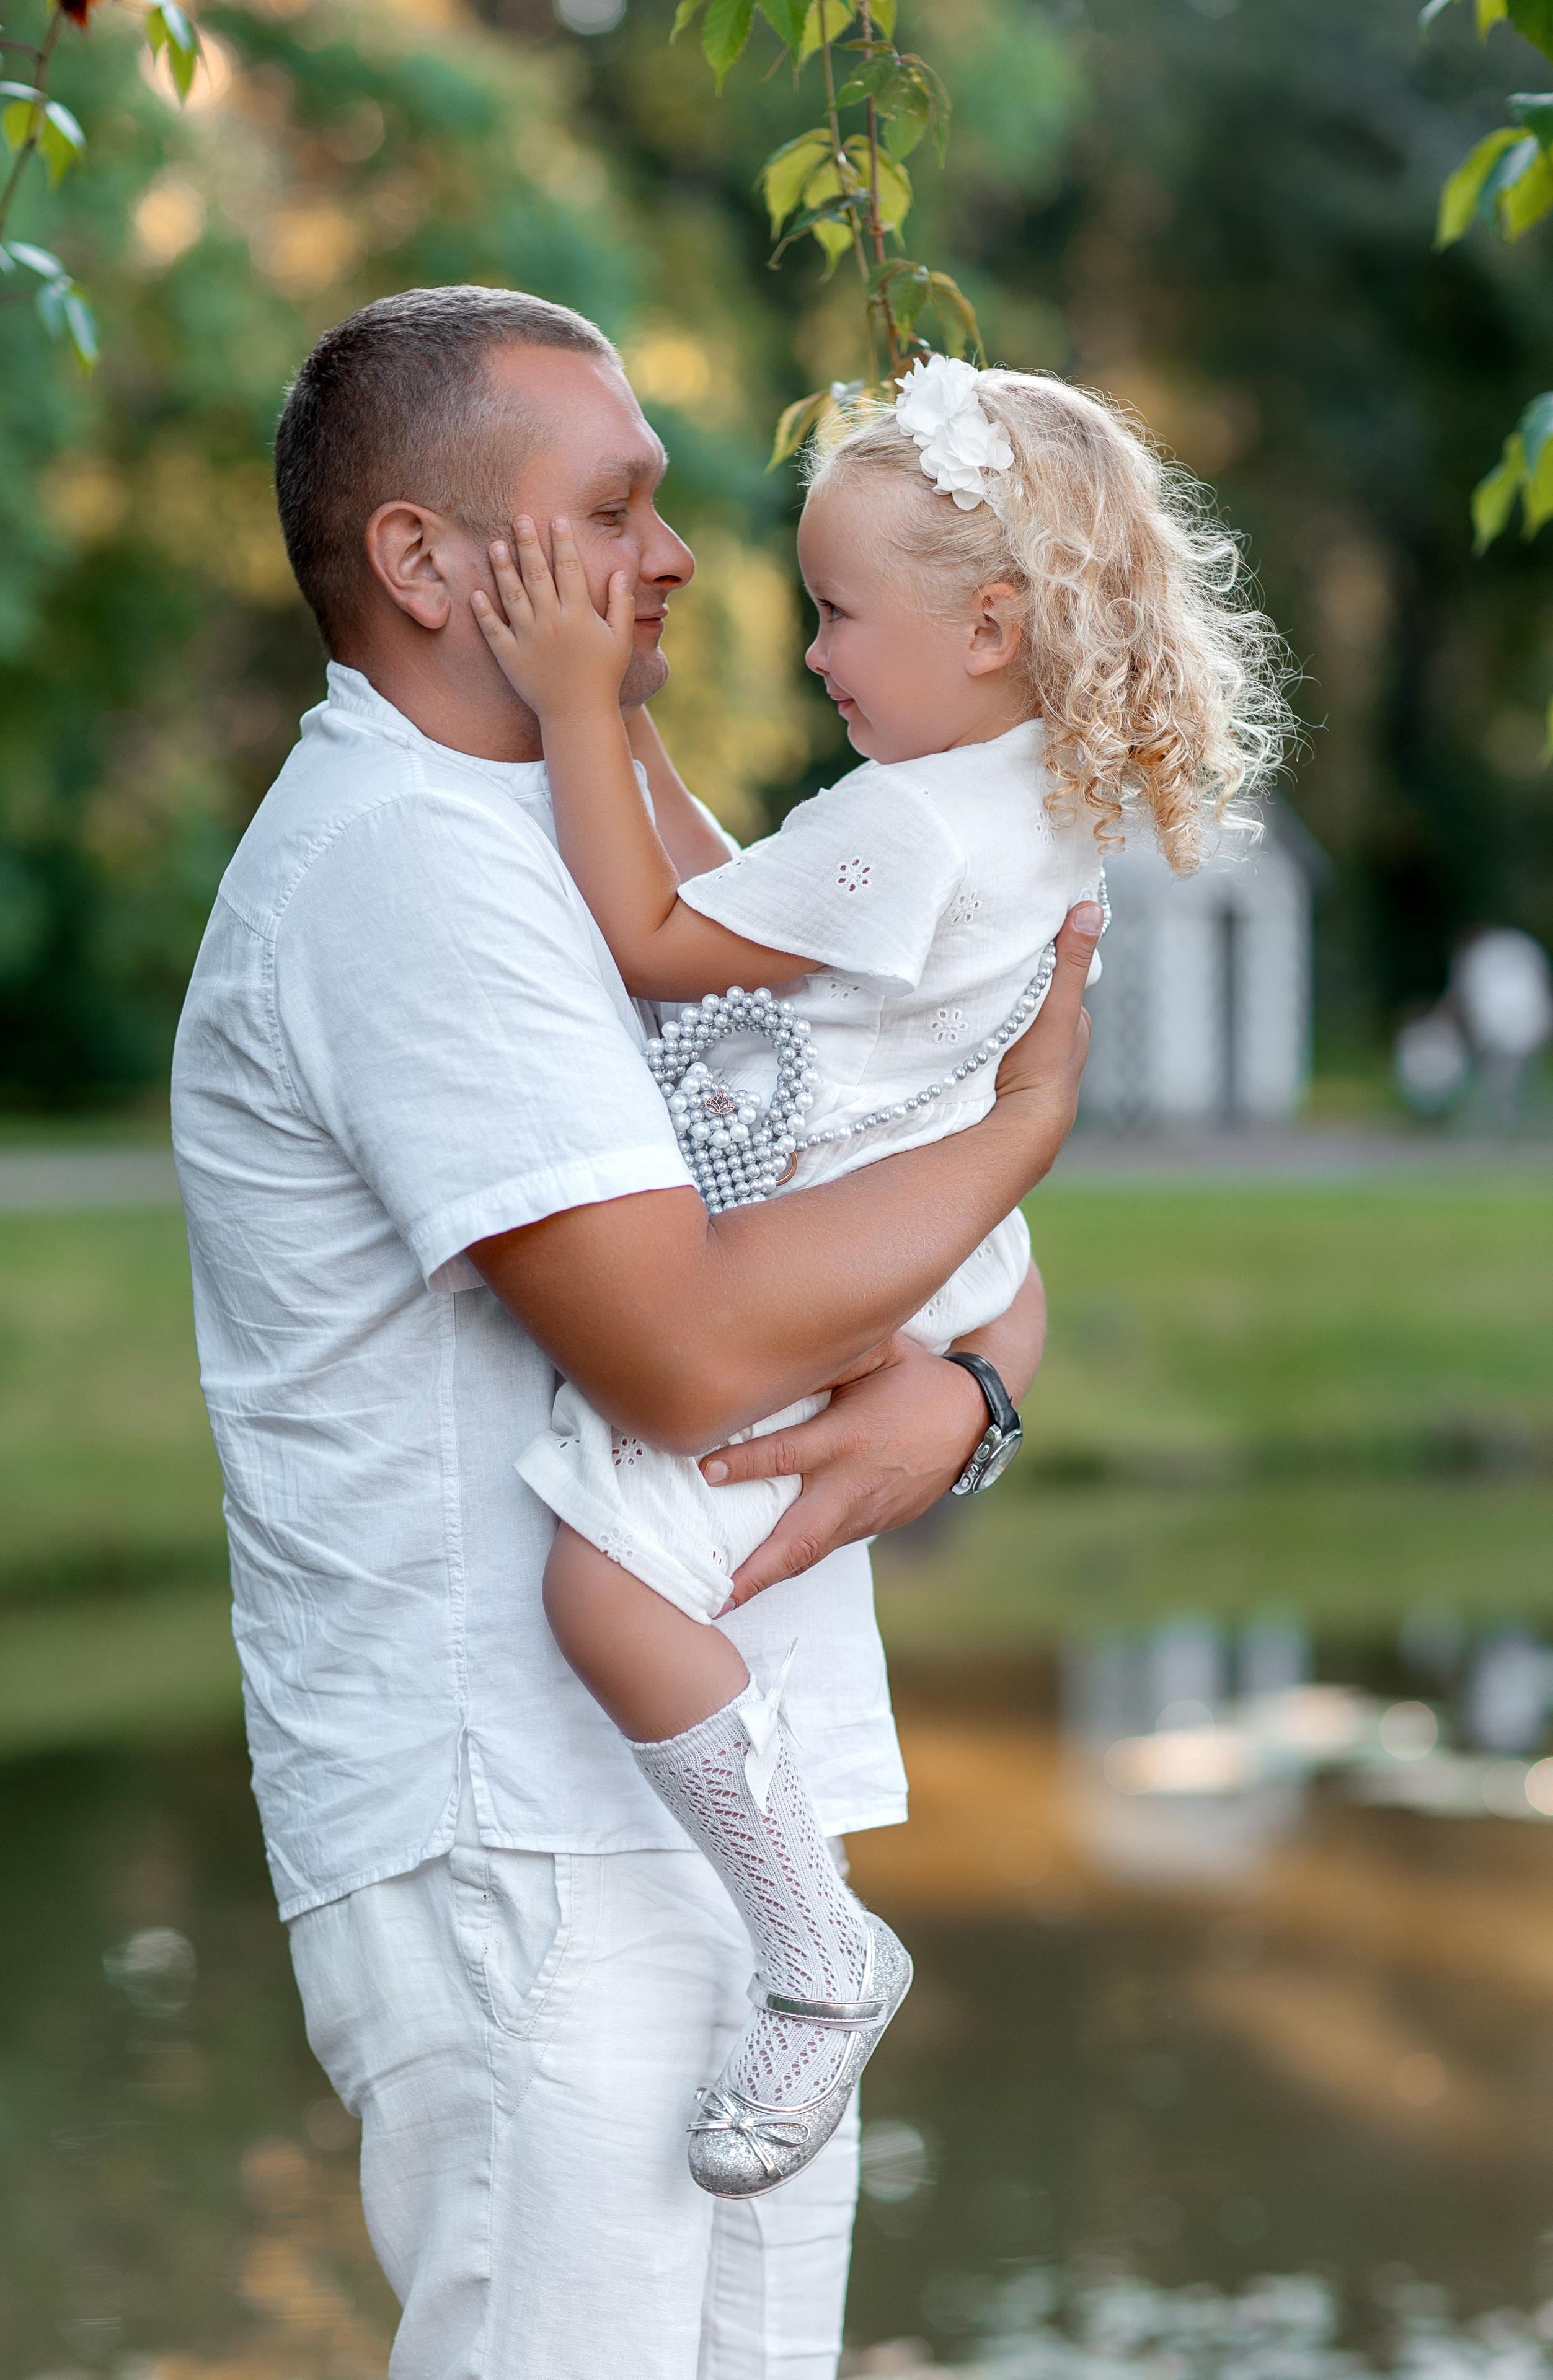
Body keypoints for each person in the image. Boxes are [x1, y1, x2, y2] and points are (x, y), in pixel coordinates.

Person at [170, 286, 1099, 2380]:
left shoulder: (590, 843)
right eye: (615, 508)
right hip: (522, 1837)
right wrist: (1036, 1119)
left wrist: (965, 1405)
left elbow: (950, 1258)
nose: (680, 558)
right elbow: (683, 1354)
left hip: (728, 1838)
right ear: (424, 564)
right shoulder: (408, 866)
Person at [471, 356, 1288, 2207]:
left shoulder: (913, 816)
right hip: (935, 1234)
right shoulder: (1008, 799)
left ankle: (819, 1950)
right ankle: (806, 1904)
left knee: (607, 1593)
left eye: (842, 613)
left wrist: (577, 700)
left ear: (990, 623)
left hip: (814, 1228)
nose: (822, 654)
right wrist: (634, 749)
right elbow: (755, 906)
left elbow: (664, 942)